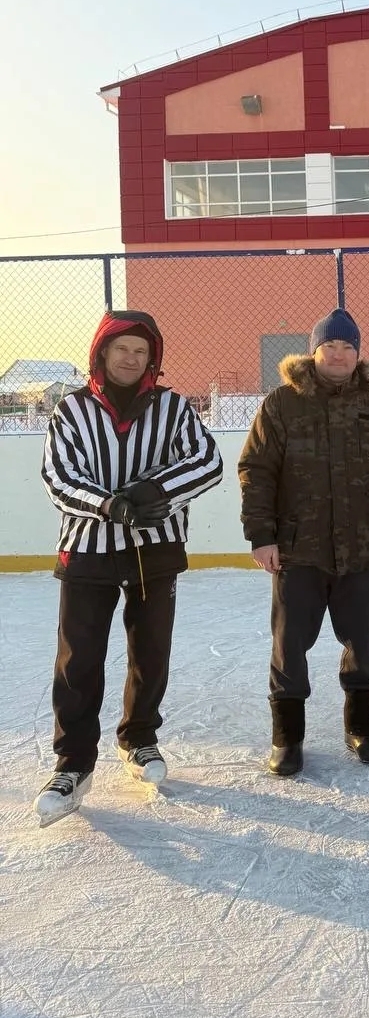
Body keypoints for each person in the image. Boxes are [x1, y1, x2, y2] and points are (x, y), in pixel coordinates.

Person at [35, 310, 223, 827]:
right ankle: (73, 763)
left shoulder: (173, 407)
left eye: (141, 351)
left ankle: (139, 738)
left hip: (154, 549)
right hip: (88, 547)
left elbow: (208, 461)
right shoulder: (70, 409)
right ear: (101, 352)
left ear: (151, 359)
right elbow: (58, 476)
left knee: (150, 651)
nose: (130, 358)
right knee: (78, 658)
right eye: (122, 349)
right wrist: (108, 505)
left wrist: (156, 491)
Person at [238, 308, 369, 776]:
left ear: (358, 354)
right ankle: (287, 737)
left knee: (363, 641)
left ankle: (362, 727)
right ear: (313, 352)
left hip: (363, 549)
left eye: (347, 347)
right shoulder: (282, 403)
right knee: (289, 643)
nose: (338, 354)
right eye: (329, 346)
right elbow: (256, 472)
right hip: (298, 550)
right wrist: (261, 536)